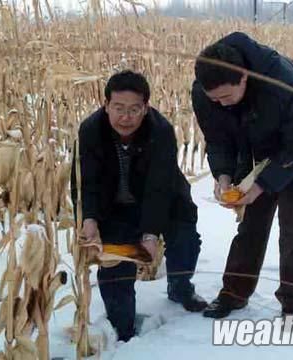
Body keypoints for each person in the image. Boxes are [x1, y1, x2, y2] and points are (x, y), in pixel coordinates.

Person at [191, 32, 293, 320]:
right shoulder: (205, 93)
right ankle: (233, 293)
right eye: (214, 99)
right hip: (257, 138)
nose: (220, 104)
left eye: (226, 96)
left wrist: (262, 184)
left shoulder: (282, 83)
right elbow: (219, 139)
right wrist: (223, 177)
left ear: (243, 77)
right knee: (251, 220)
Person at [71, 70, 207, 342]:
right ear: (106, 105)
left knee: (185, 238)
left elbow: (159, 187)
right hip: (114, 208)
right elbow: (86, 181)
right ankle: (122, 329)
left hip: (165, 200)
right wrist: (90, 220)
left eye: (134, 109)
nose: (126, 117)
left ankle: (180, 287)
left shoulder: (161, 131)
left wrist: (149, 234)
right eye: (118, 108)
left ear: (146, 108)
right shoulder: (90, 131)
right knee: (115, 276)